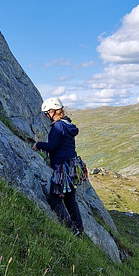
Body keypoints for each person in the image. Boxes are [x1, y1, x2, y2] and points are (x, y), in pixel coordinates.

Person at [32, 97, 86, 236]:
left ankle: (71, 230)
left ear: (53, 111)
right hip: (73, 167)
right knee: (70, 199)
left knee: (55, 199)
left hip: (63, 168)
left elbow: (52, 146)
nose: (46, 116)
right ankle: (79, 229)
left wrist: (38, 145)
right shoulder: (67, 124)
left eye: (47, 113)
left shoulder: (58, 126)